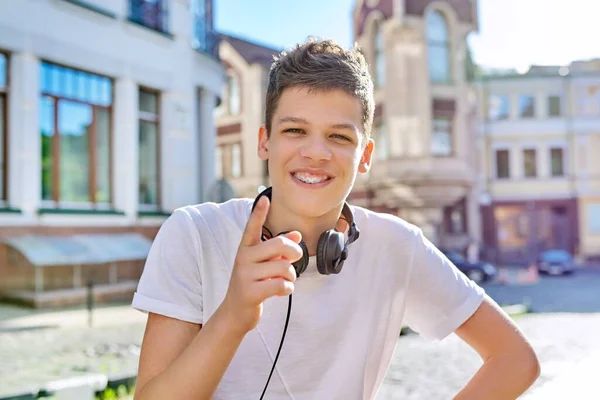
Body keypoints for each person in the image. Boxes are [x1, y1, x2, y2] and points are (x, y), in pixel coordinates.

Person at [131, 38, 540, 400]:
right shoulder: (194, 233)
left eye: (339, 137)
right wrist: (232, 317)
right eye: (294, 130)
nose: (316, 152)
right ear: (264, 142)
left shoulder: (396, 245)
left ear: (365, 156)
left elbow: (515, 360)